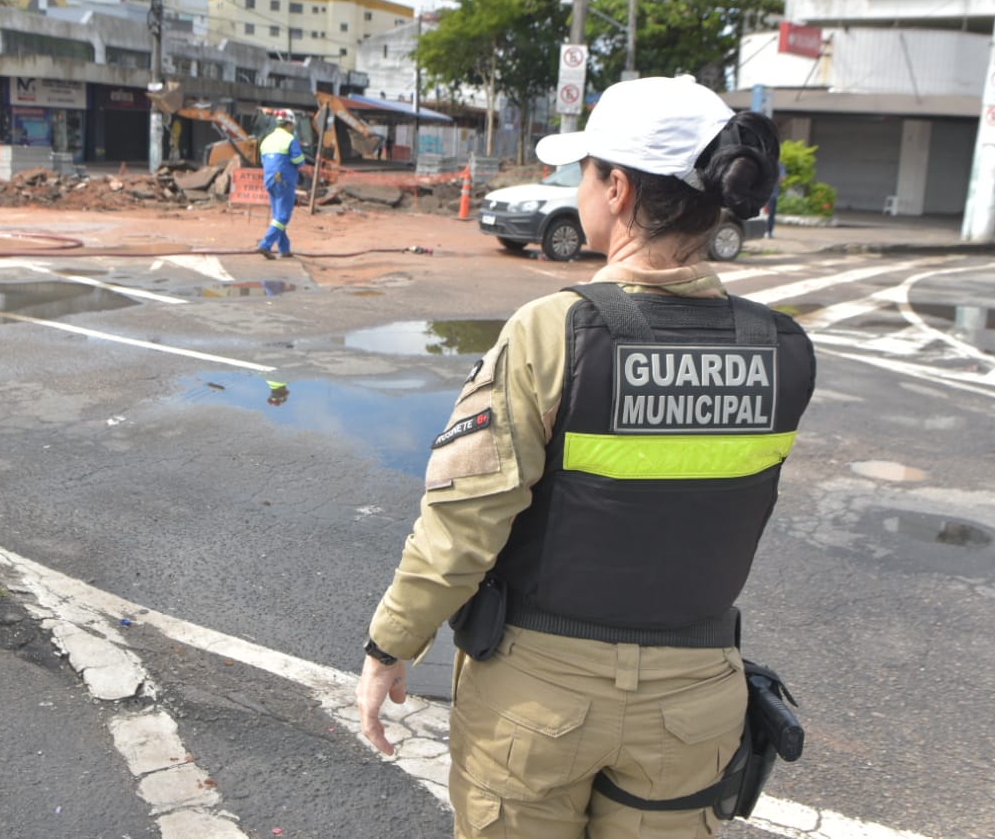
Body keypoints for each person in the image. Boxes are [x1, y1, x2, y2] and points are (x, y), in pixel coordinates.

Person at [356, 75, 817, 839]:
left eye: (587, 171)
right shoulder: (781, 349)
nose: (580, 187)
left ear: (620, 189)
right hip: (695, 703)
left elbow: (463, 523)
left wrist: (390, 644)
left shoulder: (554, 329)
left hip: (538, 700)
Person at [255, 114, 309, 259]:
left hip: (270, 180)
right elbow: (298, 160)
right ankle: (265, 245)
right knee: (283, 216)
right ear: (289, 125)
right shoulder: (290, 139)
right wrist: (304, 168)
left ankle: (284, 249)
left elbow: (263, 161)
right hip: (284, 180)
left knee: (278, 216)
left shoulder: (266, 140)